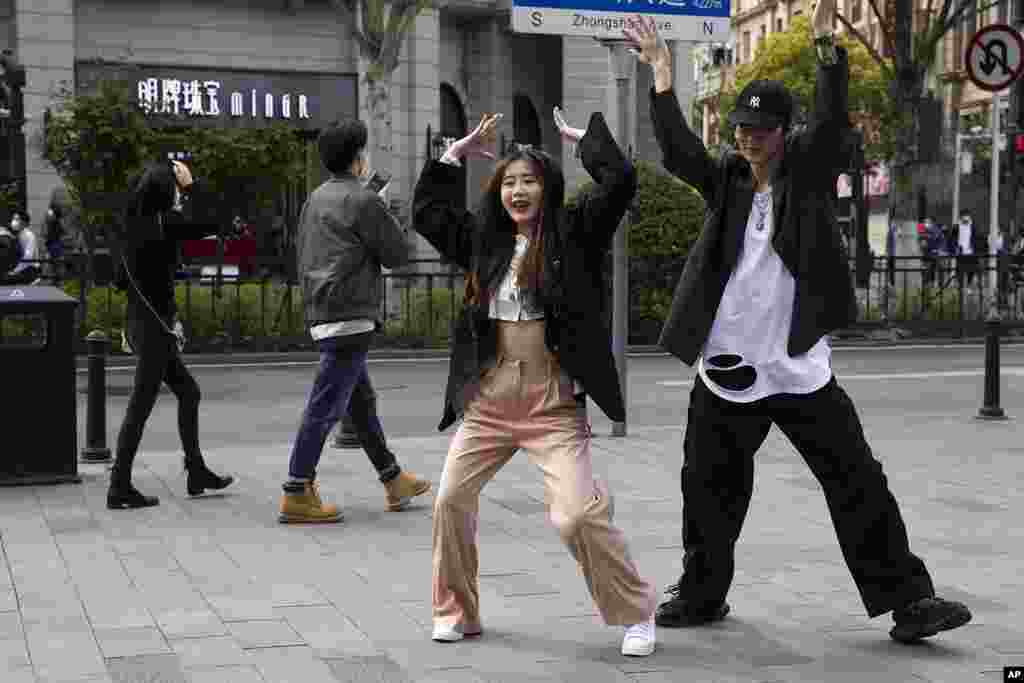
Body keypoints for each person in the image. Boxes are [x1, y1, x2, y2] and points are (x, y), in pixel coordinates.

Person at [623, 6, 972, 644]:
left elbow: (835, 123)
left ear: (785, 132)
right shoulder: (725, 181)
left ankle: (910, 601)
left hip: (800, 370)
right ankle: (702, 593)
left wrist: (827, 52)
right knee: (707, 491)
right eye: (740, 126)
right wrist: (662, 76)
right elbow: (679, 150)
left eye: (759, 128)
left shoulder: (806, 176)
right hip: (727, 370)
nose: (746, 137)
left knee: (858, 482)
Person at [411, 107, 657, 657]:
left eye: (529, 181)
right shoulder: (484, 240)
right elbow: (427, 213)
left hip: (552, 404)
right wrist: (452, 155)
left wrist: (586, 143)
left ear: (547, 189)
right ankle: (456, 611)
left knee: (574, 517)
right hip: (489, 403)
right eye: (509, 182)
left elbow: (620, 183)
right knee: (450, 500)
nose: (518, 191)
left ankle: (636, 613)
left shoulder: (575, 232)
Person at [280, 118, 431, 523]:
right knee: (326, 404)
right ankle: (297, 488)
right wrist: (384, 209)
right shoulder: (365, 201)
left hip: (323, 309)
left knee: (360, 402)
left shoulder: (316, 198)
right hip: (350, 314)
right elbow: (399, 255)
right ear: (358, 158)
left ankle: (393, 478)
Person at [108, 159, 235, 509]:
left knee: (188, 392)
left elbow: (120, 279)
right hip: (154, 330)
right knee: (140, 406)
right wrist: (193, 185)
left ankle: (196, 471)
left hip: (142, 323)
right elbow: (213, 221)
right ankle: (119, 485)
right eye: (176, 191)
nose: (180, 197)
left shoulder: (133, 223)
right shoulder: (164, 223)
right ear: (165, 191)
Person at [2, 210, 40, 285]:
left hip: (30, 269)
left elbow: (28, 257)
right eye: (13, 218)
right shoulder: (17, 234)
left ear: (24, 223)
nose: (13, 221)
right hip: (20, 268)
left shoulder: (29, 236)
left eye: (17, 219)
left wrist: (15, 271)